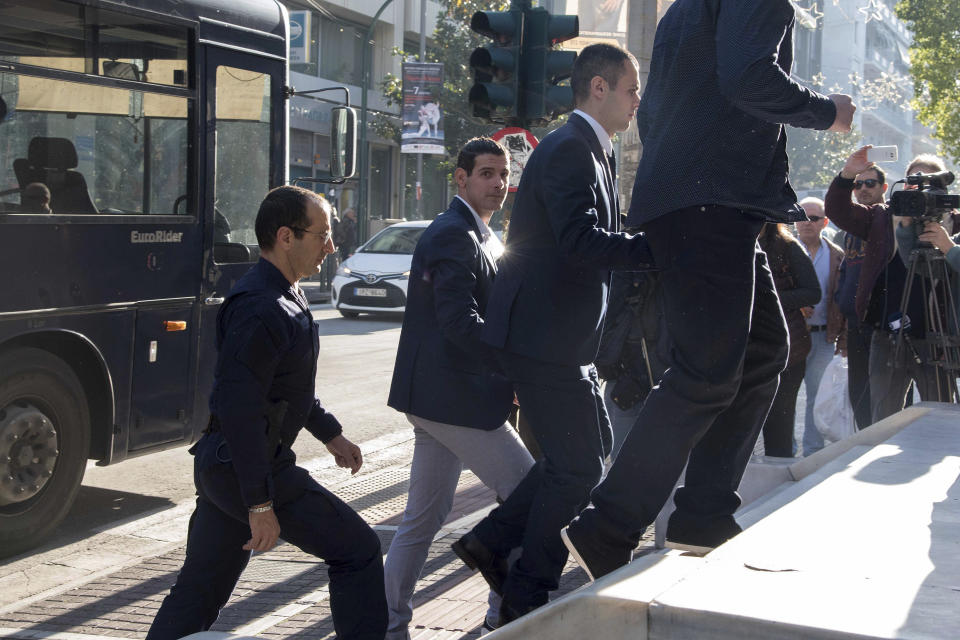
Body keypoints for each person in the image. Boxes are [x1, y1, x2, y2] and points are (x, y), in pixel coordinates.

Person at [561, 0, 855, 581]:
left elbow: (672, 103)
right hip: (709, 204)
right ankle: (607, 525)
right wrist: (829, 112)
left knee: (765, 348)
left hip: (708, 204)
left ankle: (703, 514)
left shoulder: (685, 9)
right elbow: (748, 78)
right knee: (705, 372)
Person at [452, 43, 653, 624]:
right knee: (578, 468)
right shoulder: (569, 150)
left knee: (588, 456)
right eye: (631, 89)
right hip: (543, 339)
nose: (637, 101)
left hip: (565, 339)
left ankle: (492, 541)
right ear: (598, 88)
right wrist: (655, 250)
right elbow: (580, 242)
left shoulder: (594, 148)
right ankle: (524, 590)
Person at [147, 186, 387, 640]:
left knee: (199, 592)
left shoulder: (283, 295)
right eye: (323, 235)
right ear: (286, 236)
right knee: (358, 551)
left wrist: (331, 435)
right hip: (246, 466)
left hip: (230, 466)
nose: (331, 246)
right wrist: (260, 503)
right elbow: (239, 409)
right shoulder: (262, 307)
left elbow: (286, 390)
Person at [383, 138, 535, 638]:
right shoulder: (453, 234)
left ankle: (386, 623)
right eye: (486, 173)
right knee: (525, 492)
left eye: (503, 173)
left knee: (423, 518)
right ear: (461, 178)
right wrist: (511, 364)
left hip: (439, 398)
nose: (498, 183)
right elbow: (458, 321)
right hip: (455, 399)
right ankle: (504, 616)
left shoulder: (481, 232)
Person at [826, 148, 949, 422]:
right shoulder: (882, 217)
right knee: (883, 417)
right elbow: (838, 211)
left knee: (939, 417)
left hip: (937, 338)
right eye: (914, 182)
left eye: (930, 184)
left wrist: (946, 241)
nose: (921, 191)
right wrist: (848, 174)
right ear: (904, 185)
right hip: (887, 333)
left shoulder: (954, 221)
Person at [758, 223, 821, 457]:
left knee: (779, 420)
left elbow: (813, 292)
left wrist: (767, 299)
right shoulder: (733, 244)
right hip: (746, 349)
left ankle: (779, 477)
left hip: (787, 349)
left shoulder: (788, 247)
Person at [595, 268, 667, 462]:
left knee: (622, 456)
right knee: (638, 456)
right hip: (644, 375)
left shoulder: (620, 269)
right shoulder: (670, 268)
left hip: (623, 374)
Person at [796, 198, 845, 455]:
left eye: (813, 218)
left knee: (817, 398)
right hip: (791, 336)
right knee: (783, 396)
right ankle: (781, 450)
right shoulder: (784, 250)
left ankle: (811, 453)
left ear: (824, 222)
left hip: (824, 337)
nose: (806, 222)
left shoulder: (837, 254)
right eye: (802, 216)